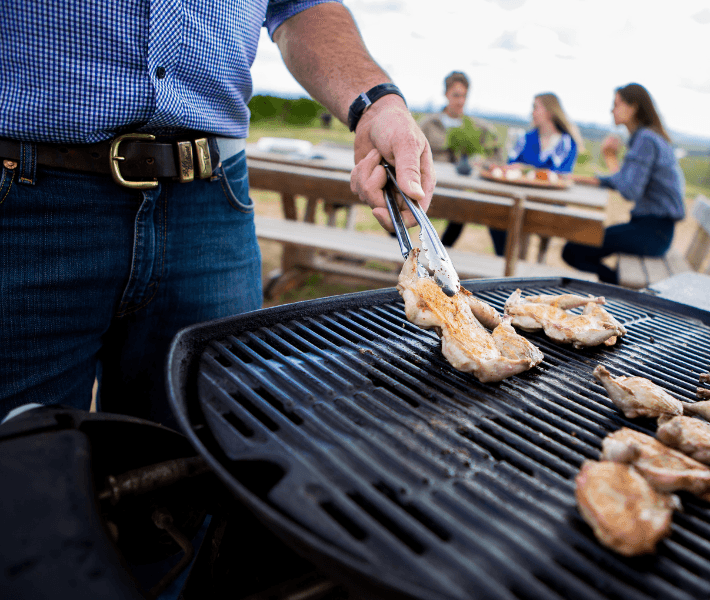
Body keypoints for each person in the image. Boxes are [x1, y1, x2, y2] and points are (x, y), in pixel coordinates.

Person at [0, 0, 435, 428]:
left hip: (212, 204)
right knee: (25, 457)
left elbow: (302, 6)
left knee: (207, 447)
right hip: (25, 197)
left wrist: (378, 104)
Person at [562, 83, 685, 284]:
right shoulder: (648, 137)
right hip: (654, 231)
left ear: (633, 107)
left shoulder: (645, 139)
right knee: (577, 248)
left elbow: (629, 190)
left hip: (652, 234)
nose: (612, 110)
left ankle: (617, 287)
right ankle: (615, 285)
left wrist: (610, 158)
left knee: (573, 250)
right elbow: (625, 180)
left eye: (616, 104)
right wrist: (588, 179)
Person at [489, 92, 583, 255]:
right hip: (521, 198)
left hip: (550, 202)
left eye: (535, 108)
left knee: (527, 216)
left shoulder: (566, 142)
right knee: (494, 214)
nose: (532, 113)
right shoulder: (526, 138)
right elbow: (511, 167)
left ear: (549, 112)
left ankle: (525, 258)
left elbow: (560, 175)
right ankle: (508, 258)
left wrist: (525, 169)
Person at [418, 71, 501, 246]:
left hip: (457, 190)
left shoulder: (476, 127)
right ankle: (402, 252)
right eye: (456, 95)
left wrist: (480, 162)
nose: (460, 101)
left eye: (464, 96)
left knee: (466, 209)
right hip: (429, 187)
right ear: (446, 94)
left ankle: (440, 253)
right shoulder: (428, 124)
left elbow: (496, 155)